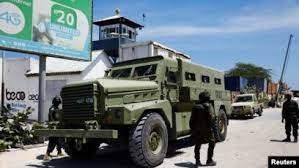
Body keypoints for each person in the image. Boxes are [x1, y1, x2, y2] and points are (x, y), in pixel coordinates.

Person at [189, 91, 218, 167]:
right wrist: (215, 132)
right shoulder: (209, 106)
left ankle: (197, 162)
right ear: (207, 98)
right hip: (208, 130)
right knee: (212, 143)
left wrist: (193, 130)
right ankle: (209, 160)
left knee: (197, 145)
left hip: (198, 130)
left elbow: (191, 120)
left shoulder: (195, 107)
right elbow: (212, 119)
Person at [43, 96, 63, 160]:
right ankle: (47, 154)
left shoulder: (56, 108)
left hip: (56, 127)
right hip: (53, 127)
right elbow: (53, 119)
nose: (58, 104)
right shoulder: (52, 109)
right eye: (58, 103)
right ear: (55, 102)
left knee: (58, 140)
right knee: (53, 140)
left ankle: (59, 152)